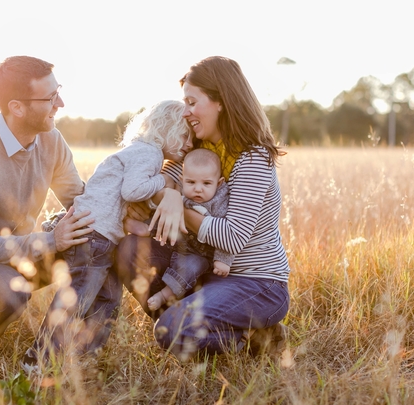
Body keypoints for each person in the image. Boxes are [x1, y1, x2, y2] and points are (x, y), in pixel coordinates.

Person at [117, 56, 291, 361]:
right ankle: (198, 328)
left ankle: (254, 337)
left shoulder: (252, 159)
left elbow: (232, 238)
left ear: (220, 101)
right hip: (206, 272)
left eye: (192, 102)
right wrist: (169, 195)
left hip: (256, 283)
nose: (186, 112)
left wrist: (177, 206)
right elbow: (151, 188)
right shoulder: (198, 152)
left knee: (169, 331)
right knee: (130, 250)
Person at [21, 100, 193, 371]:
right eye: (185, 135)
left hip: (101, 235)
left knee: (107, 299)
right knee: (77, 298)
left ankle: (84, 356)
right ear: (166, 128)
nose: (189, 143)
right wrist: (166, 183)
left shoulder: (138, 151)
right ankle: (39, 359)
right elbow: (133, 191)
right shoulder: (150, 154)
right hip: (94, 234)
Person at [0, 56, 96, 343]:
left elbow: (81, 202)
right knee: (11, 290)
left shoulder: (52, 141)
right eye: (50, 97)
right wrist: (51, 241)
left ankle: (56, 346)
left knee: (91, 246)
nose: (60, 104)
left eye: (57, 91)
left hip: (20, 253)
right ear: (17, 107)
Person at [133, 148, 232, 311]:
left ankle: (164, 295)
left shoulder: (219, 203)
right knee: (163, 220)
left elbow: (226, 236)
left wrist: (223, 260)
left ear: (219, 183)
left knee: (190, 267)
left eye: (206, 183)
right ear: (182, 180)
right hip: (177, 240)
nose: (198, 189)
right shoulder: (181, 195)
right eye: (191, 182)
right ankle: (144, 227)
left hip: (199, 254)